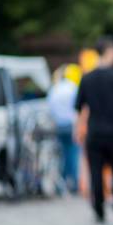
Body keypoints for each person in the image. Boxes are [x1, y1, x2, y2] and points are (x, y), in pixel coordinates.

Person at [75, 36, 113, 223]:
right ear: (110, 51)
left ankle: (98, 207)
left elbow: (80, 107)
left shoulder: (87, 78)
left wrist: (79, 129)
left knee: (95, 170)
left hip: (94, 132)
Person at [48, 64, 82, 194]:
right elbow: (77, 108)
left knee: (62, 155)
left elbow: (50, 109)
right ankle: (73, 184)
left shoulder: (55, 89)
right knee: (73, 154)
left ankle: (61, 183)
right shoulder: (73, 88)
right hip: (71, 125)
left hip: (58, 126)